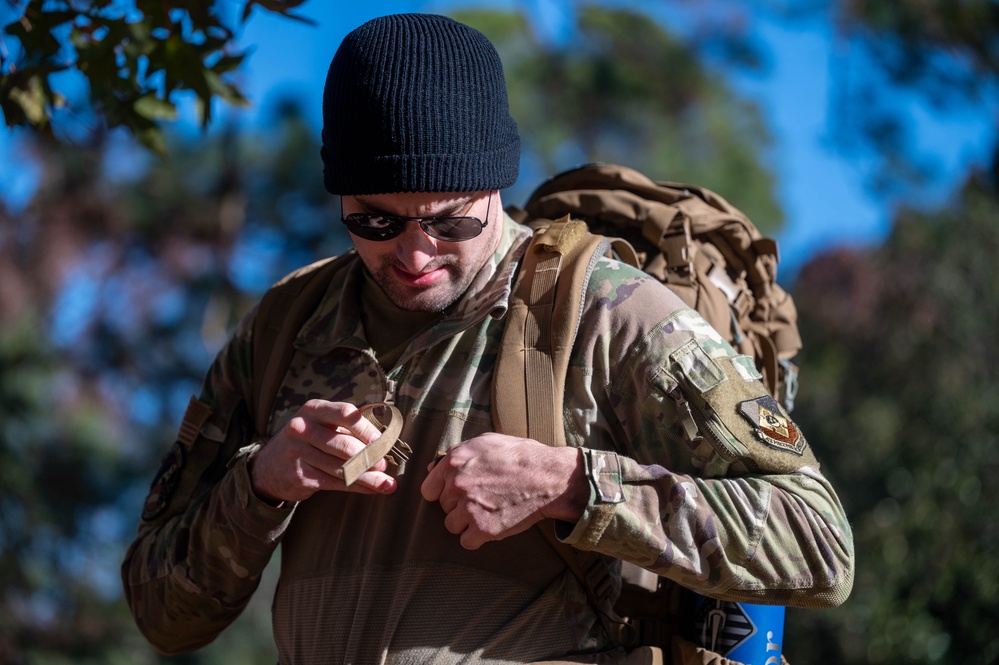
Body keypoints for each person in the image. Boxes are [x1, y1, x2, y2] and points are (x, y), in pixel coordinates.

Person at [121, 12, 853, 665]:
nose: (412, 255)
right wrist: (259, 485)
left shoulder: (607, 314)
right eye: (376, 221)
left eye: (449, 222)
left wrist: (574, 486)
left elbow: (820, 544)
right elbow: (163, 616)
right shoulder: (286, 325)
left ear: (496, 191)